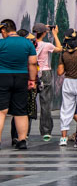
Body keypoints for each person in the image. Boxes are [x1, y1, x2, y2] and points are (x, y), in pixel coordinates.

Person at [0, 18, 38, 149]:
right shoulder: (27, 43)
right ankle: (22, 141)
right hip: (21, 77)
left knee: (1, 111)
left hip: (3, 77)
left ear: (4, 30)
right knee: (20, 111)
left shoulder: (1, 43)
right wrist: (32, 80)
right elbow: (33, 63)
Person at [56, 27, 77, 147]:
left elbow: (60, 72)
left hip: (68, 82)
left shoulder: (64, 53)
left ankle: (63, 138)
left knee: (66, 110)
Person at [31, 23, 55, 140]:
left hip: (32, 72)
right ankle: (46, 131)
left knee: (30, 102)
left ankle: (25, 132)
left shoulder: (30, 44)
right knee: (45, 103)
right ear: (44, 33)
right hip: (45, 73)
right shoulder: (47, 45)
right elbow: (60, 48)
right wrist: (55, 34)